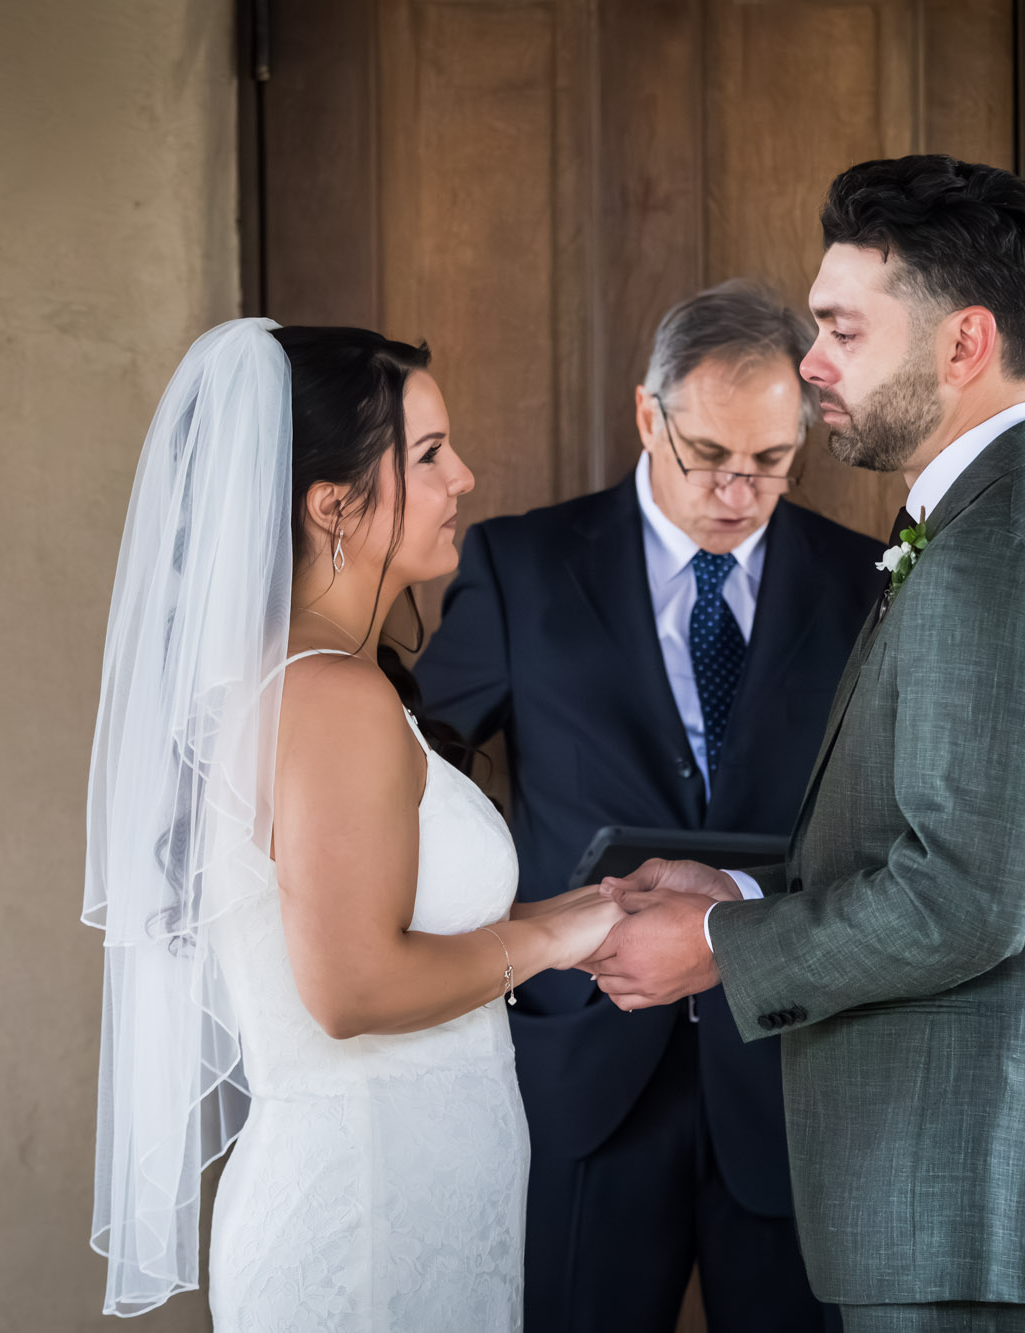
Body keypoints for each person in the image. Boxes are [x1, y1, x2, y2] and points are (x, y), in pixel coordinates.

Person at [585, 158, 1025, 1331]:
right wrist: (738, 886)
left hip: (976, 1208)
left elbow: (961, 897)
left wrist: (718, 945)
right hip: (950, 1201)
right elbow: (939, 842)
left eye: (843, 330)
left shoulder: (1001, 551)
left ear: (961, 346)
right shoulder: (972, 517)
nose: (809, 362)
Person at [82, 319, 623, 1329]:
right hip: (363, 1223)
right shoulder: (328, 694)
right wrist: (552, 937)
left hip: (406, 1197)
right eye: (426, 456)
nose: (463, 475)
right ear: (331, 505)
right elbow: (353, 985)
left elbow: (374, 927)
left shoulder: (322, 680)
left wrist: (593, 908)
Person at [413, 282, 884, 1332]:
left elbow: (891, 825)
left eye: (769, 461)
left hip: (787, 1067)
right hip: (581, 1067)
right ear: (645, 417)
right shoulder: (519, 566)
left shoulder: (865, 585)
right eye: (707, 454)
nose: (737, 489)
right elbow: (414, 772)